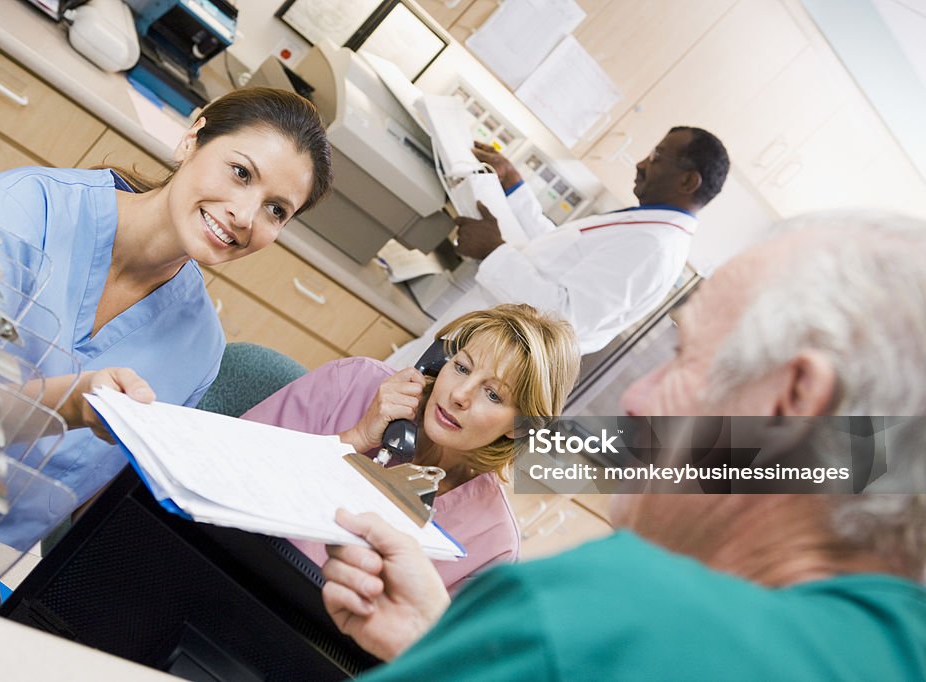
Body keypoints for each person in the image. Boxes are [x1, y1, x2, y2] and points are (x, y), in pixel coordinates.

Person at [320, 211, 926, 679]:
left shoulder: (615, 615)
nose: (636, 400)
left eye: (684, 357)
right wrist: (447, 654)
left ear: (791, 406)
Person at [0, 87, 333, 548]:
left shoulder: (200, 350)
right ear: (192, 139)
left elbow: (91, 514)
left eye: (276, 210)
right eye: (240, 172)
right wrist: (72, 402)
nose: (245, 216)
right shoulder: (26, 209)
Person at [241, 304, 579, 591]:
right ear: (439, 360)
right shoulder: (353, 382)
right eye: (461, 367)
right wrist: (357, 438)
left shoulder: (492, 542)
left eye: (493, 394)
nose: (459, 395)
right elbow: (226, 465)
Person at [387, 127, 730, 368]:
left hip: (484, 361)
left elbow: (563, 319)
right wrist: (514, 187)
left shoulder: (653, 246)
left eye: (657, 157)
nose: (640, 163)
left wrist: (494, 251)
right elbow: (549, 253)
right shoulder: (647, 227)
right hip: (467, 344)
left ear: (688, 181)